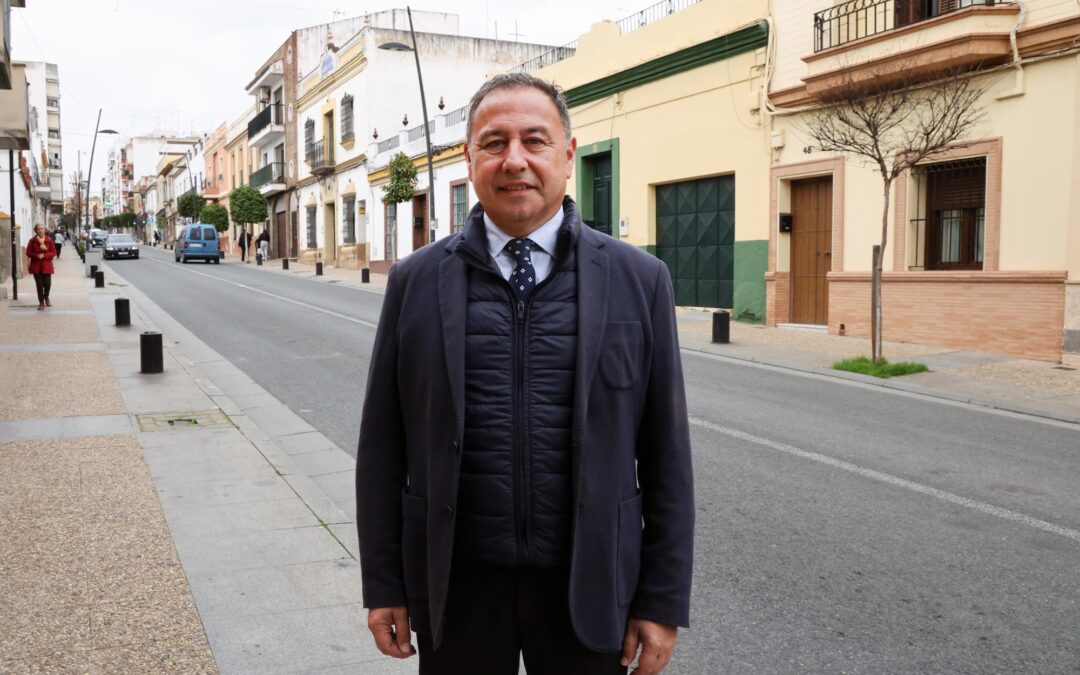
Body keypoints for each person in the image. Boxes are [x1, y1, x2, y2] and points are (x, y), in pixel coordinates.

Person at [356, 73, 694, 675]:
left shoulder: (639, 281)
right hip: (456, 588)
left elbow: (666, 455)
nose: (515, 161)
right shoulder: (415, 281)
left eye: (534, 141)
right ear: (469, 157)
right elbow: (383, 446)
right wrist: (384, 583)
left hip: (587, 588)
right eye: (494, 143)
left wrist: (662, 600)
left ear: (567, 154)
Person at [26, 224, 57, 310]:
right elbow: (28, 252)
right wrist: (36, 255)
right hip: (36, 266)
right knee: (39, 285)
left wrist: (45, 254)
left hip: (47, 265)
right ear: (36, 230)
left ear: (44, 230)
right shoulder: (32, 241)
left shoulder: (49, 240)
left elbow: (54, 252)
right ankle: (41, 303)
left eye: (42, 229)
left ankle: (46, 297)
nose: (40, 230)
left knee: (48, 284)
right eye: (38, 229)